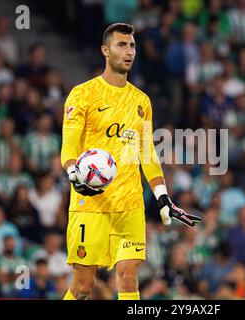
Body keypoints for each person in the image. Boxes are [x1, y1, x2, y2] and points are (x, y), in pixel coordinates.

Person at [61, 23, 201, 301]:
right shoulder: (82, 94)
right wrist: (74, 172)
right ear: (105, 50)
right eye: (121, 45)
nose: (129, 52)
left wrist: (162, 196)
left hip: (130, 203)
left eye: (132, 45)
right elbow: (68, 147)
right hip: (91, 204)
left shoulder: (141, 101)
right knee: (82, 287)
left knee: (128, 276)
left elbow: (147, 154)